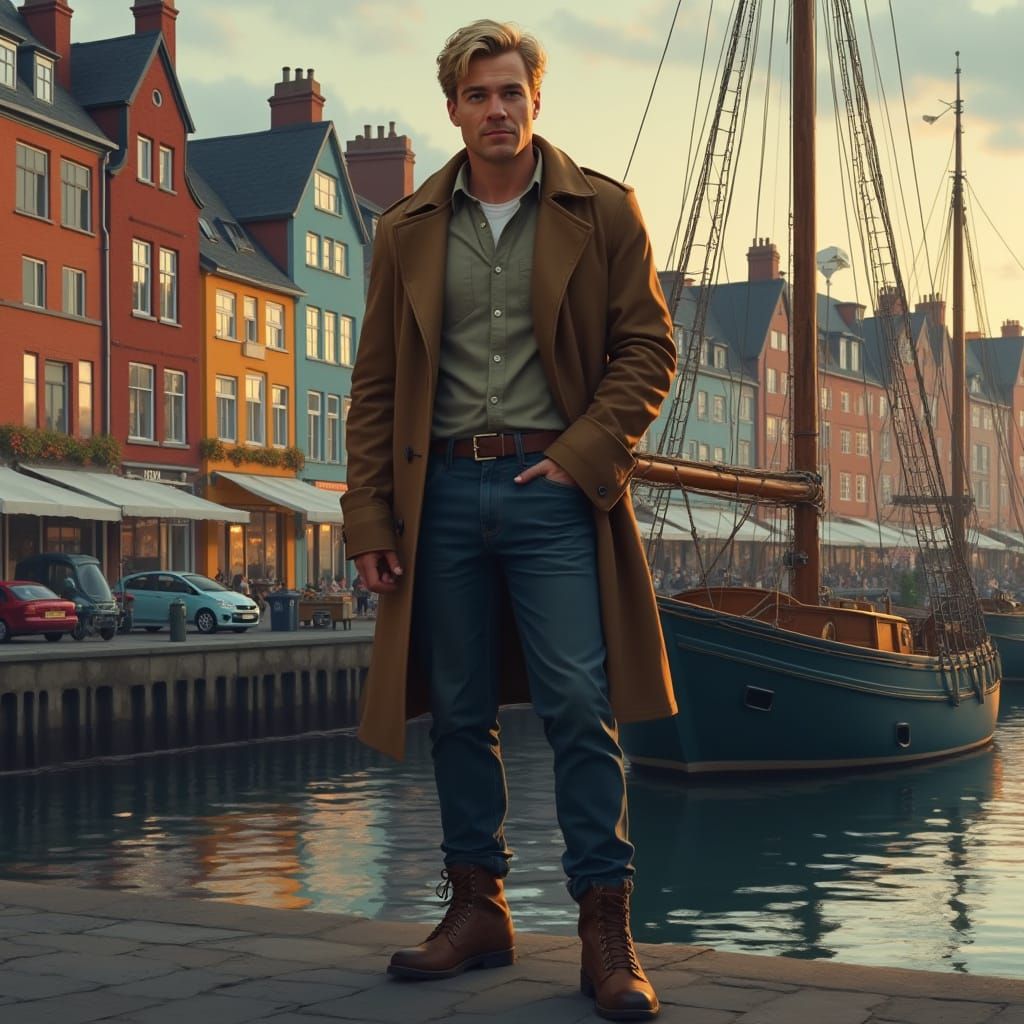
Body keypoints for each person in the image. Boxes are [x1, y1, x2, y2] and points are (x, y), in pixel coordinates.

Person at [342, 19, 676, 1021]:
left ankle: (604, 927)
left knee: (579, 700)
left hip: (553, 491)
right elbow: (374, 385)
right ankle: (477, 907)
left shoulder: (603, 211)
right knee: (455, 707)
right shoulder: (403, 228)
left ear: (536, 100)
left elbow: (647, 352)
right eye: (477, 95)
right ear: (452, 107)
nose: (496, 110)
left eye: (510, 93)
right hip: (436, 493)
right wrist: (368, 519)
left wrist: (578, 462)